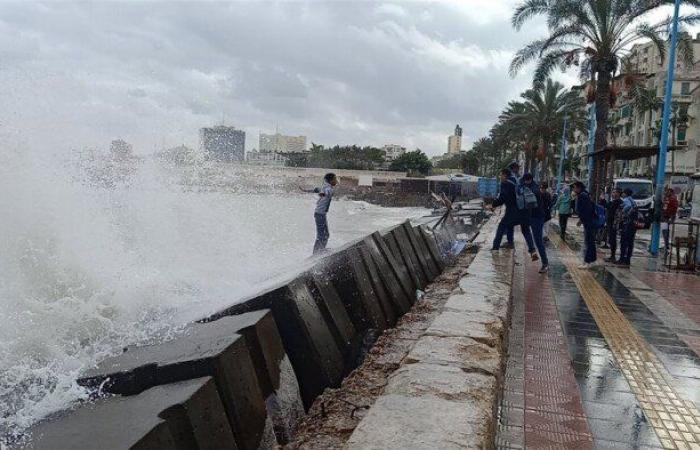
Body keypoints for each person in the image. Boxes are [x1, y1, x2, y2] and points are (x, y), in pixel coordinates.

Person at [488, 168, 537, 260]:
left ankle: (495, 248)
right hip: (525, 211)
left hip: (513, 211)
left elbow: (503, 198)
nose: (500, 177)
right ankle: (532, 250)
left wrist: (493, 204)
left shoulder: (505, 183)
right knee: (526, 231)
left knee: (502, 226)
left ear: (505, 175)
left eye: (501, 175)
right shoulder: (517, 181)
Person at [301, 173, 338, 255]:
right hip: (320, 214)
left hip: (320, 214)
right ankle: (317, 253)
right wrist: (324, 194)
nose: (336, 181)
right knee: (322, 235)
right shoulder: (328, 188)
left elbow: (316, 189)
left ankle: (320, 250)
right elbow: (327, 192)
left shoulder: (325, 186)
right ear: (331, 180)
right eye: (335, 179)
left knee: (326, 234)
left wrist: (305, 190)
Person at [522, 174, 549, 272]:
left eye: (525, 181)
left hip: (537, 217)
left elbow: (530, 204)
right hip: (531, 216)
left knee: (538, 240)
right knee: (524, 229)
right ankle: (532, 250)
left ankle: (545, 263)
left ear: (528, 180)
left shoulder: (535, 190)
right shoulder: (529, 187)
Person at [573, 181, 597, 269]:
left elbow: (586, 210)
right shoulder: (585, 194)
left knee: (588, 241)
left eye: (575, 187)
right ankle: (593, 260)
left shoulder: (582, 196)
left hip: (588, 221)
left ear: (579, 188)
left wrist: (581, 220)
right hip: (589, 220)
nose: (574, 189)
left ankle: (587, 262)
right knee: (590, 241)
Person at [617, 188, 638, 267]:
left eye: (623, 193)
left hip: (627, 224)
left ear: (625, 194)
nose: (622, 194)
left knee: (624, 242)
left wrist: (623, 212)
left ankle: (622, 259)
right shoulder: (633, 200)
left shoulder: (626, 200)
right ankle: (628, 259)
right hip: (633, 225)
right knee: (630, 242)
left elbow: (628, 206)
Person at [605, 188, 623, 263]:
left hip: (614, 224)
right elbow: (606, 206)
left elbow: (610, 208)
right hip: (610, 223)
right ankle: (612, 256)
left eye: (615, 192)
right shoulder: (613, 201)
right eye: (613, 192)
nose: (613, 194)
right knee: (611, 239)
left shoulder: (619, 202)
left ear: (619, 194)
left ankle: (613, 256)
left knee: (613, 239)